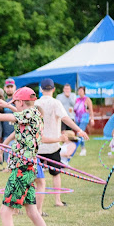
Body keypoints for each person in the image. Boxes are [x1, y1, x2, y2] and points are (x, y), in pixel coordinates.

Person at [0, 88, 61, 226]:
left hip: (22, 168)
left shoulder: (27, 114)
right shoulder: (34, 113)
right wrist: (7, 106)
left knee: (5, 211)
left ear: (20, 102)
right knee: (32, 211)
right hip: (29, 168)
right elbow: (20, 115)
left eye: (15, 101)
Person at [35, 78, 89, 211]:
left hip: (38, 146)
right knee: (56, 173)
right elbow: (65, 118)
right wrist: (79, 130)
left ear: (41, 90)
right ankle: (57, 200)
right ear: (53, 89)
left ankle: (27, 204)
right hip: (53, 145)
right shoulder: (56, 103)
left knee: (33, 177)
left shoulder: (35, 103)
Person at [74, 86, 94, 156]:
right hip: (77, 118)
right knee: (78, 133)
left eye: (81, 91)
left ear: (84, 92)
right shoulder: (77, 99)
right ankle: (80, 148)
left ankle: (83, 149)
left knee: (80, 133)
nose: (80, 92)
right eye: (79, 91)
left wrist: (92, 119)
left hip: (84, 118)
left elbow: (91, 109)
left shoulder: (87, 99)